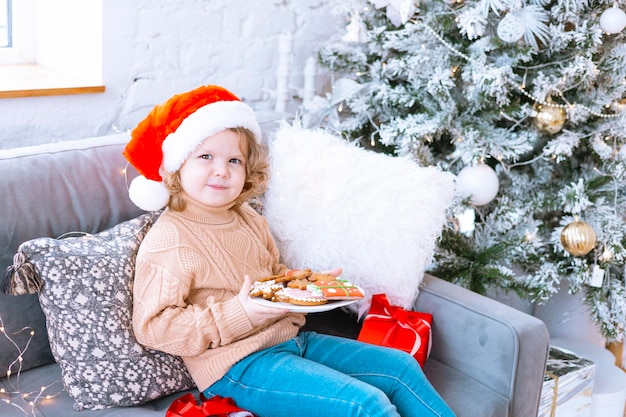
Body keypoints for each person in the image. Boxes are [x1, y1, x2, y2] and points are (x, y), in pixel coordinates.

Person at [123, 84, 456, 417]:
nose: (222, 170)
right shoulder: (170, 240)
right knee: (365, 404)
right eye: (206, 157)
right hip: (238, 367)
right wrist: (241, 313)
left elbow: (273, 277)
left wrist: (307, 285)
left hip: (292, 341)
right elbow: (154, 327)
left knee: (399, 367)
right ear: (178, 165)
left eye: (234, 160)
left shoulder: (248, 218)